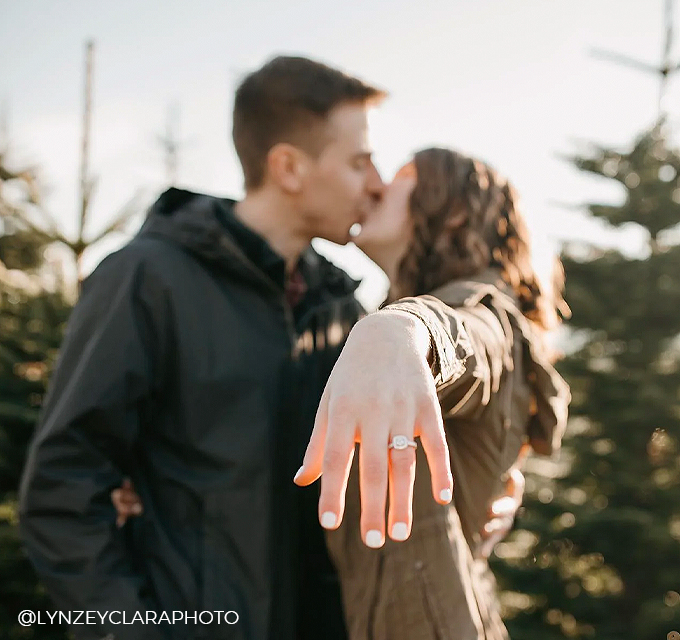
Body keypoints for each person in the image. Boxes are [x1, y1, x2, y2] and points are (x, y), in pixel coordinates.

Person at [18, 57, 472, 640]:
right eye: (360, 161)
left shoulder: (342, 312)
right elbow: (62, 491)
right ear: (288, 167)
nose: (378, 183)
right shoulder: (145, 280)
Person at [294, 148, 570, 639]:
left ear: (455, 211)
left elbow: (468, 341)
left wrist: (400, 329)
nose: (376, 187)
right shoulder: (364, 317)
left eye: (402, 176)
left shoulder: (489, 314)